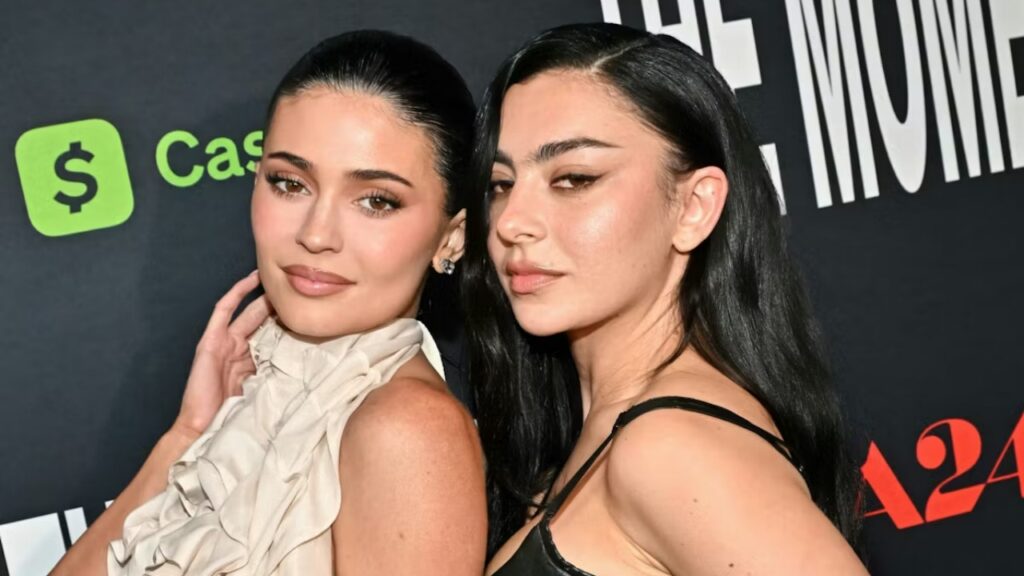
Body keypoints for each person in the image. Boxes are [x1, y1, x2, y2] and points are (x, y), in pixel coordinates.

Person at [52, 30, 486, 576]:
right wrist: (189, 435)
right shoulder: (259, 392)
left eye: (376, 200)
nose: (316, 233)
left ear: (452, 238)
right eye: (290, 183)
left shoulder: (407, 432)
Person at [461, 23, 869, 575]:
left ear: (694, 207)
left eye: (574, 179)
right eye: (501, 184)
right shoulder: (610, 429)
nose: (511, 222)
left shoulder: (671, 449)